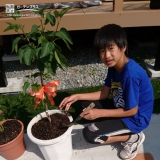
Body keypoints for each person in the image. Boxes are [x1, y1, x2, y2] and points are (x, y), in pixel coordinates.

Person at [59, 24, 154, 160]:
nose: (107, 56)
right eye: (102, 51)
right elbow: (104, 94)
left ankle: (132, 137)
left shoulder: (131, 74)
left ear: (123, 48)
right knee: (85, 105)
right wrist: (77, 96)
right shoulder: (114, 66)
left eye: (111, 49)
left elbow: (132, 110)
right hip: (121, 106)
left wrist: (100, 113)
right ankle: (114, 123)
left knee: (89, 134)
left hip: (135, 118)